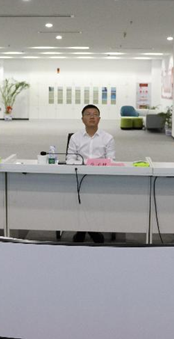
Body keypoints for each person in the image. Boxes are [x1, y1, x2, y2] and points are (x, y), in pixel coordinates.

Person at [67, 104, 116, 243]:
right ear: (82, 119)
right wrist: (86, 166)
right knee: (79, 198)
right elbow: (70, 159)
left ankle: (82, 231)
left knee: (93, 200)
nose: (92, 117)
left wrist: (92, 165)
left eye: (95, 114)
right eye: (88, 114)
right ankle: (92, 231)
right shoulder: (75, 138)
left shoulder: (108, 138)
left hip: (100, 178)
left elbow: (111, 160)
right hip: (79, 177)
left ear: (99, 119)